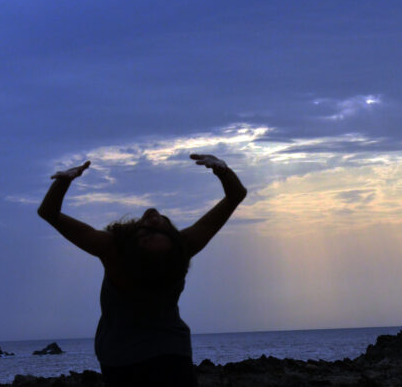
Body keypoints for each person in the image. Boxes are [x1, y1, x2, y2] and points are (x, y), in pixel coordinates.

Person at [37, 154, 247, 386]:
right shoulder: (183, 247)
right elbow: (236, 195)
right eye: (161, 229)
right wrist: (223, 172)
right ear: (175, 242)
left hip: (122, 360)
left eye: (148, 232)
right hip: (171, 354)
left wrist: (64, 181)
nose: (153, 218)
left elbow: (48, 212)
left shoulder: (113, 250)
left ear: (132, 244)